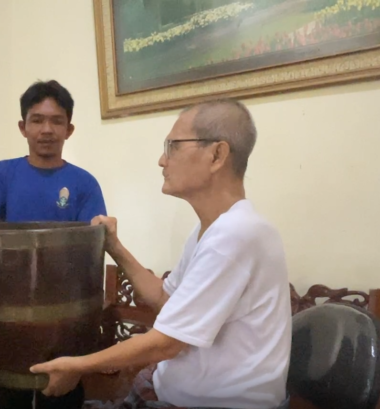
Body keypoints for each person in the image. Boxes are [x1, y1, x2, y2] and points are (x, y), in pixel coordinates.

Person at [29, 99, 292, 409]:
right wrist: (115, 246)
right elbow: (165, 299)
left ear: (217, 155)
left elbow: (166, 343)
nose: (161, 160)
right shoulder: (211, 230)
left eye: (173, 146)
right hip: (168, 389)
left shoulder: (236, 235)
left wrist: (76, 366)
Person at [0, 80, 107, 409]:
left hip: (65, 315)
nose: (46, 129)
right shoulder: (1, 173)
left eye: (56, 121)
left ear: (69, 129)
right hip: (12, 310)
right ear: (22, 127)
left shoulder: (84, 183)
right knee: (9, 395)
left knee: (63, 398)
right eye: (37, 120)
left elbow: (94, 240)